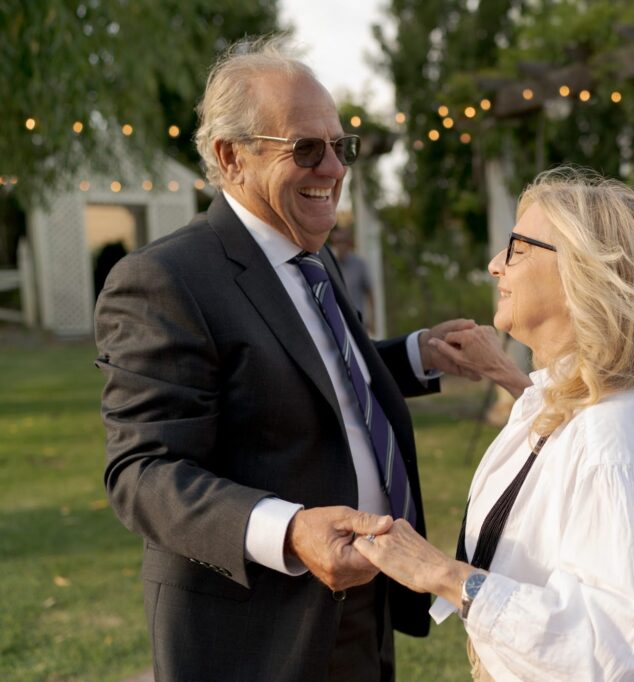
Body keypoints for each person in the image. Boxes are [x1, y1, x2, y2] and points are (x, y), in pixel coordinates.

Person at [94, 36, 485, 681]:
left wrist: (416, 356)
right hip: (257, 629)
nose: (332, 169)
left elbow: (315, 373)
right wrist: (290, 531)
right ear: (230, 157)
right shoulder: (164, 278)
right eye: (306, 148)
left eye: (340, 147)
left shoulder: (310, 252)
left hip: (364, 603)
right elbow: (144, 471)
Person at [354, 167, 634, 681]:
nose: (493, 266)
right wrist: (505, 373)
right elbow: (552, 456)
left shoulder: (614, 436)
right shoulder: (580, 403)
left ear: (582, 274)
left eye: (517, 249)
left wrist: (441, 573)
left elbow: (605, 645)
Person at [329, 225, 375, 334]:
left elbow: (369, 293)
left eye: (343, 242)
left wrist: (372, 319)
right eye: (337, 242)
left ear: (349, 244)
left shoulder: (359, 264)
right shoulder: (328, 265)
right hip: (336, 323)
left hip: (358, 321)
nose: (340, 245)